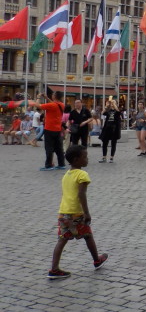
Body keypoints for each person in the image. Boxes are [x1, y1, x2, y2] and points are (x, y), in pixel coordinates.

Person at [47, 145, 108, 279]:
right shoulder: (82, 174)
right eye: (85, 157)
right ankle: (97, 260)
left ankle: (54, 268)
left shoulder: (66, 175)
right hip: (76, 213)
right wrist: (86, 213)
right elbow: (81, 194)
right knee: (88, 235)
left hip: (63, 212)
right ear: (76, 160)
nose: (87, 159)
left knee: (62, 240)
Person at [35, 91, 67, 171]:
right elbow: (54, 104)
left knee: (49, 148)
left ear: (55, 96)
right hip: (57, 129)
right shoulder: (61, 105)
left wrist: (38, 97)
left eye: (53, 94)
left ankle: (49, 165)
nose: (52, 95)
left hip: (49, 128)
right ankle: (61, 164)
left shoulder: (52, 105)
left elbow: (37, 105)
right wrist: (46, 98)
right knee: (59, 148)